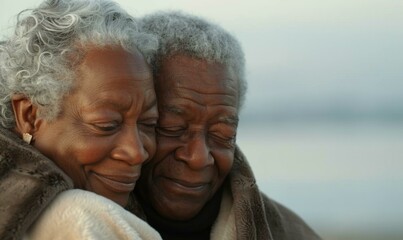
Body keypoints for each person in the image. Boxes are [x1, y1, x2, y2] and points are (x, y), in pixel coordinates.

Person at [131, 11, 322, 239]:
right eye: (173, 128)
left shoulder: (287, 232)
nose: (198, 158)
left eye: (222, 135)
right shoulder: (82, 222)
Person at [0, 0, 161, 239]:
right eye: (107, 125)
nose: (137, 153)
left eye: (148, 124)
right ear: (29, 115)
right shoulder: (79, 223)